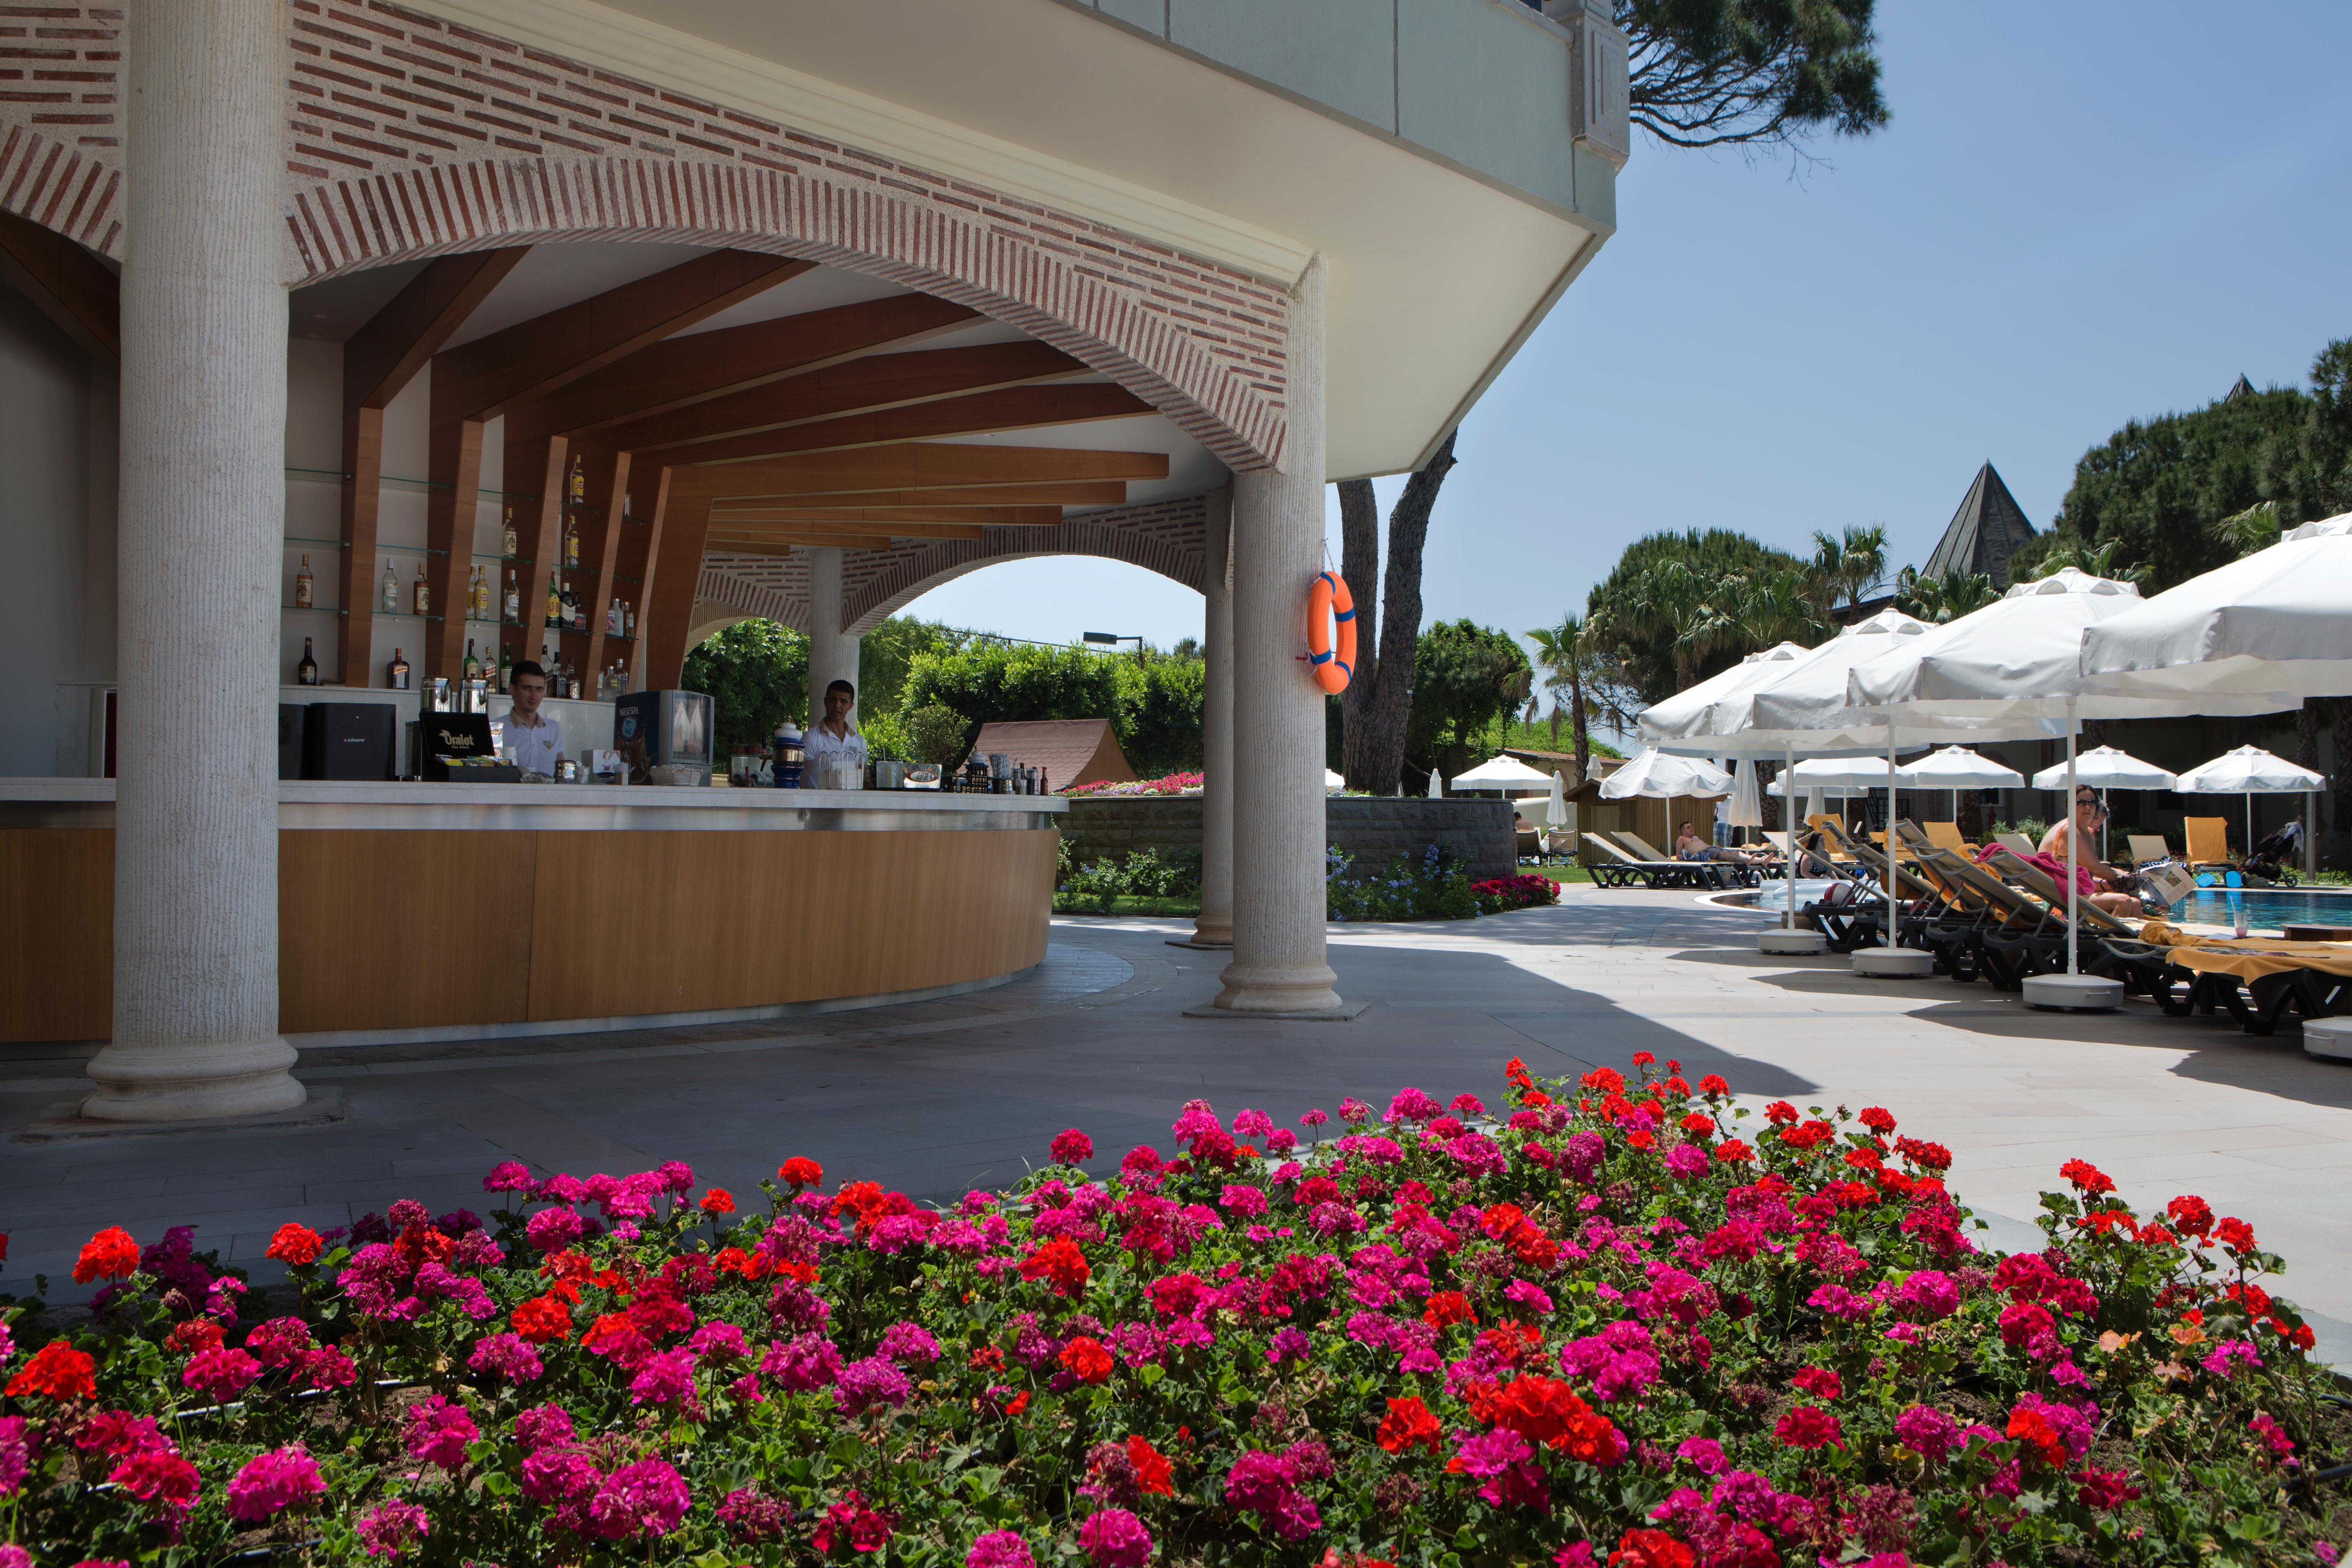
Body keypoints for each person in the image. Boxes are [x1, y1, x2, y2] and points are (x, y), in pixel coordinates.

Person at [2038, 787, 2143, 918]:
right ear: (2069, 805)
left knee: (2135, 903)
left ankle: (2141, 937)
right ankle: (2107, 937)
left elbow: (2091, 873)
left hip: (2081, 894)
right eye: (2081, 802)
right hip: (2062, 899)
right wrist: (2122, 879)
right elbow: (2095, 867)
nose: (2087, 807)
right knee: (2124, 901)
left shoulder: (2088, 832)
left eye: (2092, 802)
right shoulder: (2069, 830)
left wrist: (2126, 877)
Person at [802, 677, 866, 788]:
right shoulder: (812, 738)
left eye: (843, 701)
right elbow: (802, 782)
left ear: (851, 706)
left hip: (850, 804)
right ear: (825, 701)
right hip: (818, 804)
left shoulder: (859, 742)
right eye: (833, 700)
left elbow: (865, 781)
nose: (837, 705)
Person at [503, 661, 563, 777]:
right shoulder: (496, 728)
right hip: (510, 795)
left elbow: (561, 774)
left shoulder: (552, 728)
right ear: (512, 689)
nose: (534, 696)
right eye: (527, 688)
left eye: (539, 690)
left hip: (549, 794)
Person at [1675, 820, 1771, 864]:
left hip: (1712, 849)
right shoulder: (1682, 839)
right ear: (1683, 831)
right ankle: (1745, 861)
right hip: (1706, 852)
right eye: (1689, 828)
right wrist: (1685, 859)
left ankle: (1761, 860)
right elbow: (1678, 855)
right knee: (1724, 855)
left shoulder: (1695, 837)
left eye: (1691, 826)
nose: (1691, 828)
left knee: (1737, 853)